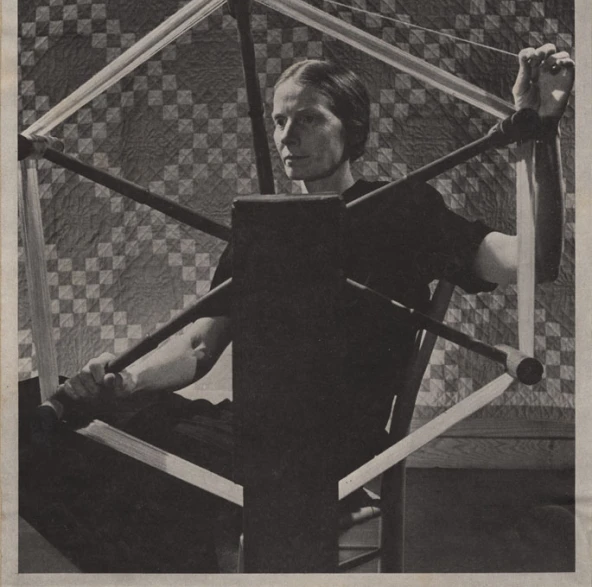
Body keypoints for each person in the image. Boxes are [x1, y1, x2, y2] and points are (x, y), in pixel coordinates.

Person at [61, 43, 574, 488]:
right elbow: (198, 347)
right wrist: (128, 380)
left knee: (127, 472)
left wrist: (542, 133)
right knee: (58, 420)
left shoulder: (404, 208)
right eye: (280, 121)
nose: (287, 136)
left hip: (332, 448)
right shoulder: (263, 226)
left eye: (308, 119)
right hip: (252, 432)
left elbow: (535, 262)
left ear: (351, 130)